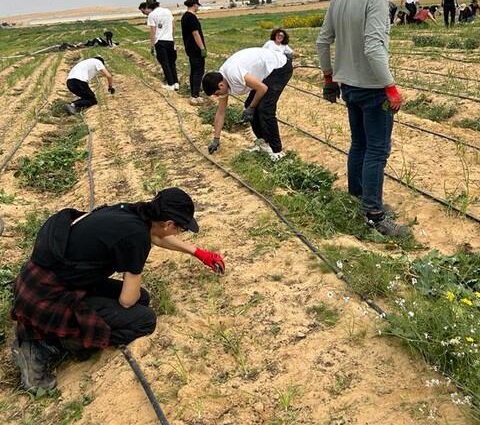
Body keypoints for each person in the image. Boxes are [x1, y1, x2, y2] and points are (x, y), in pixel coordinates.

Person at [10, 188, 224, 393]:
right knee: (143, 319)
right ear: (168, 223)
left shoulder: (133, 212)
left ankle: (52, 332)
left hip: (44, 280)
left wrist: (198, 253)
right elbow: (127, 301)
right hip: (46, 297)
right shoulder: (137, 237)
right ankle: (44, 343)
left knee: (143, 299)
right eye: (181, 228)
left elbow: (157, 236)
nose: (180, 232)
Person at [316, 0, 411, 239]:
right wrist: (391, 88)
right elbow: (374, 48)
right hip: (372, 88)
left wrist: (329, 77)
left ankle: (357, 196)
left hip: (349, 87)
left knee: (359, 144)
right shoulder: (376, 0)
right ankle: (374, 215)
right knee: (377, 151)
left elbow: (323, 41)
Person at [202, 46, 293, 161]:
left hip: (279, 68)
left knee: (265, 109)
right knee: (250, 105)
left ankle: (277, 151)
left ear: (221, 85)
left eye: (216, 93)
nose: (217, 96)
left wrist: (251, 108)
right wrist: (216, 139)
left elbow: (262, 88)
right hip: (265, 73)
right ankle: (264, 143)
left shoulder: (234, 74)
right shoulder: (221, 81)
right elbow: (221, 112)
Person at [146, 0, 179, 90]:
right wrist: (172, 39)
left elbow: (153, 31)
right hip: (170, 40)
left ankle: (170, 84)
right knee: (172, 62)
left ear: (149, 6)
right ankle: (176, 83)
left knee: (165, 63)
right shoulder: (168, 11)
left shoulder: (152, 15)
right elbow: (173, 26)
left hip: (160, 42)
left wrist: (152, 45)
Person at [180, 0, 207, 105]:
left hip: (189, 48)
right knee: (198, 71)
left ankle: (193, 93)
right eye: (197, 5)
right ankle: (195, 96)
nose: (198, 8)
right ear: (194, 4)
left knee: (193, 71)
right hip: (195, 48)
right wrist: (202, 48)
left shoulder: (184, 16)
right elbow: (196, 34)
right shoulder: (191, 17)